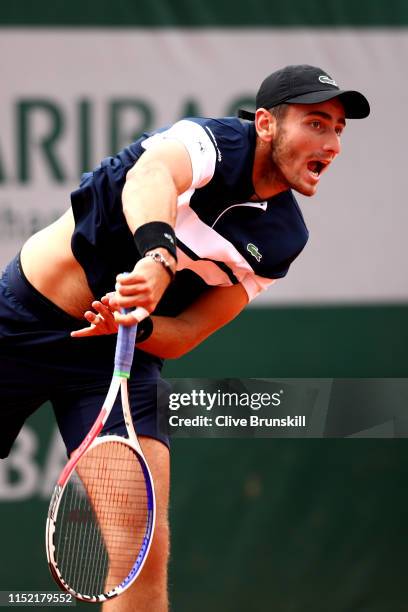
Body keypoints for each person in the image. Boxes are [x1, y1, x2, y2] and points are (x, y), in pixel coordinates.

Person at [0, 64, 369, 611]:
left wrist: (136, 324)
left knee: (141, 557)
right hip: (21, 325)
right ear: (266, 123)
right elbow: (151, 178)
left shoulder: (285, 237)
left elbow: (190, 331)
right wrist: (157, 257)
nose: (332, 143)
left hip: (116, 363)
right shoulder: (208, 143)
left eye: (338, 129)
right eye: (317, 123)